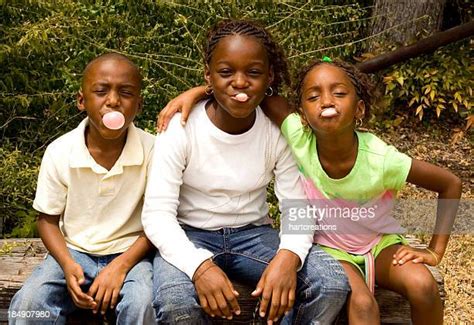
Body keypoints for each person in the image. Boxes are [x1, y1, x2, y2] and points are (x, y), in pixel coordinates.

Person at [142, 19, 349, 325]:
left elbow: (297, 206)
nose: (240, 82)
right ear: (208, 76)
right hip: (189, 234)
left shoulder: (278, 131)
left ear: (269, 77)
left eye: (253, 73)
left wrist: (288, 257)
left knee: (330, 282)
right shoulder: (181, 128)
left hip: (254, 235)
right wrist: (199, 267)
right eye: (226, 72)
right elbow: (157, 215)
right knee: (176, 304)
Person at [9, 53, 156, 324]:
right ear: (81, 100)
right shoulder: (60, 152)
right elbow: (47, 220)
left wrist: (120, 267)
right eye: (101, 91)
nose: (113, 101)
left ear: (139, 103)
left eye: (126, 92)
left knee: (143, 304)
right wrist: (66, 264)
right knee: (28, 305)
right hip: (74, 251)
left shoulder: (154, 151)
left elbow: (159, 222)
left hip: (131, 254)